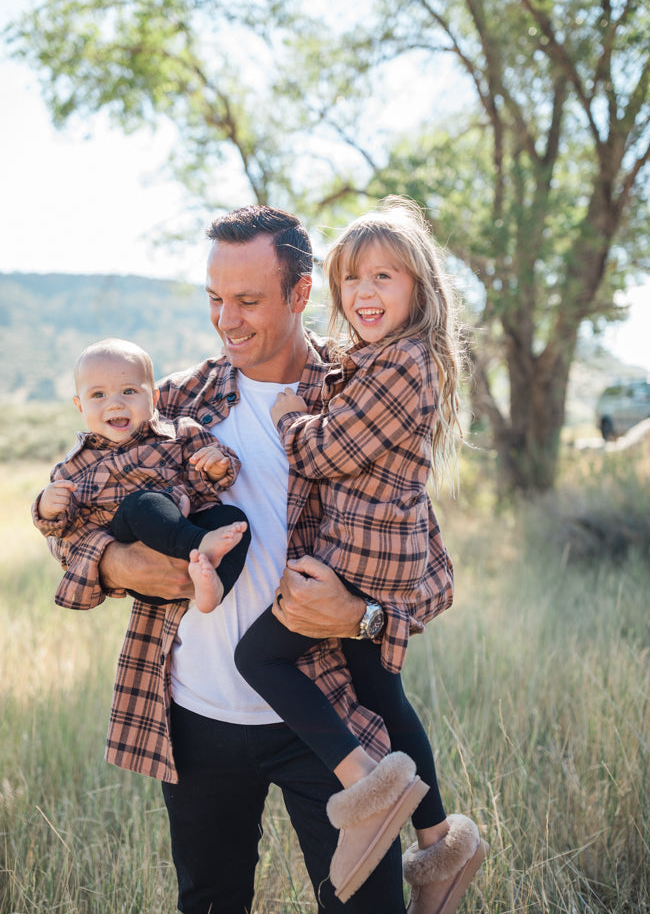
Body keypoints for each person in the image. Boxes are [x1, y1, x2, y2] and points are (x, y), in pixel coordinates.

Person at [44, 205, 454, 914]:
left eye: (248, 300)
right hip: (196, 721)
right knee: (209, 901)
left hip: (327, 718)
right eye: (214, 298)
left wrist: (361, 615)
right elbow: (71, 503)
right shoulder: (172, 401)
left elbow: (423, 573)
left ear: (300, 295)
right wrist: (112, 565)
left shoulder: (362, 396)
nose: (226, 319)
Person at [234, 197, 488, 910]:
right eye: (353, 279)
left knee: (260, 657)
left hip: (364, 557)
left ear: (420, 288)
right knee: (380, 691)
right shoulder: (383, 359)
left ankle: (367, 792)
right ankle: (440, 843)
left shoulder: (404, 363)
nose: (365, 293)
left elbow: (325, 450)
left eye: (386, 277)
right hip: (378, 549)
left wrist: (289, 413)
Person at [32, 338, 250, 612]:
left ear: (154, 398)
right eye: (98, 395)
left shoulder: (179, 433)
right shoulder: (74, 467)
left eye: (129, 391)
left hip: (188, 529)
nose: (115, 404)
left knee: (233, 520)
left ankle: (213, 587)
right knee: (142, 503)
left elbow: (207, 479)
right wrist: (47, 508)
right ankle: (201, 545)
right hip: (138, 554)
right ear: (79, 406)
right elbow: (64, 530)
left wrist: (216, 466)